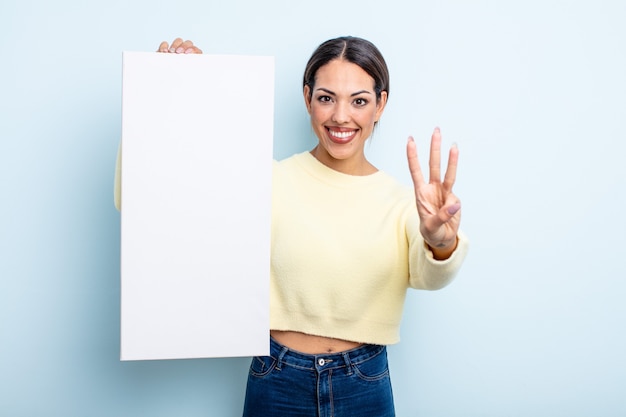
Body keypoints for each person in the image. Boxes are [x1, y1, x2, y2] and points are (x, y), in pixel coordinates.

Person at [116, 36, 468, 417]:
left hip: (363, 384)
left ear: (380, 105)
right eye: (326, 97)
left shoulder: (402, 201)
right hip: (277, 378)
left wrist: (440, 243)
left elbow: (429, 276)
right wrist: (168, 88)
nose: (340, 116)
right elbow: (148, 202)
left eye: (360, 100)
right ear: (307, 98)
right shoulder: (266, 181)